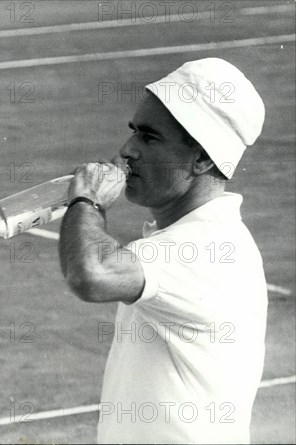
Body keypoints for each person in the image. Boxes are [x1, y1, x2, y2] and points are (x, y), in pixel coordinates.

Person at [58, 58, 267, 443]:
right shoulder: (195, 237)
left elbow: (90, 274)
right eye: (133, 132)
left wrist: (87, 201)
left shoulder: (205, 247)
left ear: (203, 158)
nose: (126, 150)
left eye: (149, 137)